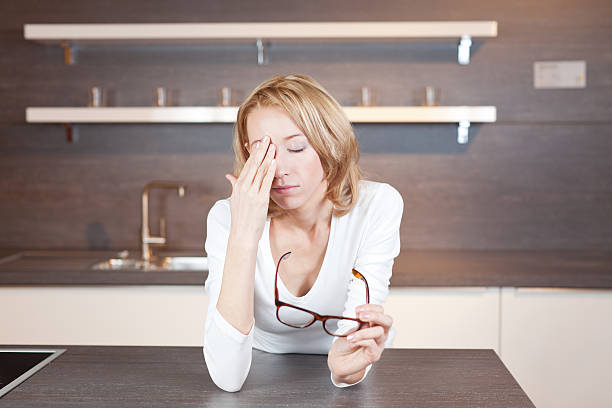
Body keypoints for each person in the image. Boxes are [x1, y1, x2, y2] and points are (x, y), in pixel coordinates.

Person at [203, 73, 403, 392]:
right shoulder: (227, 217)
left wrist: (346, 371)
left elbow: (356, 336)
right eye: (263, 151)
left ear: (330, 144)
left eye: (296, 147)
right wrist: (243, 233)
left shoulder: (377, 205)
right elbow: (228, 376)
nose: (279, 169)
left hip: (345, 365)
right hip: (260, 370)